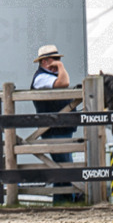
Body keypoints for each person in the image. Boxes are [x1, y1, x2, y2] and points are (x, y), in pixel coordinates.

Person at [30, 44, 78, 203]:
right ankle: (65, 200)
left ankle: (64, 200)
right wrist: (61, 66)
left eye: (58, 59)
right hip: (53, 129)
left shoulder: (47, 76)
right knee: (63, 166)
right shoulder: (41, 78)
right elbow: (63, 83)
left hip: (61, 128)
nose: (58, 62)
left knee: (63, 166)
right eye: (55, 59)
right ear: (45, 62)